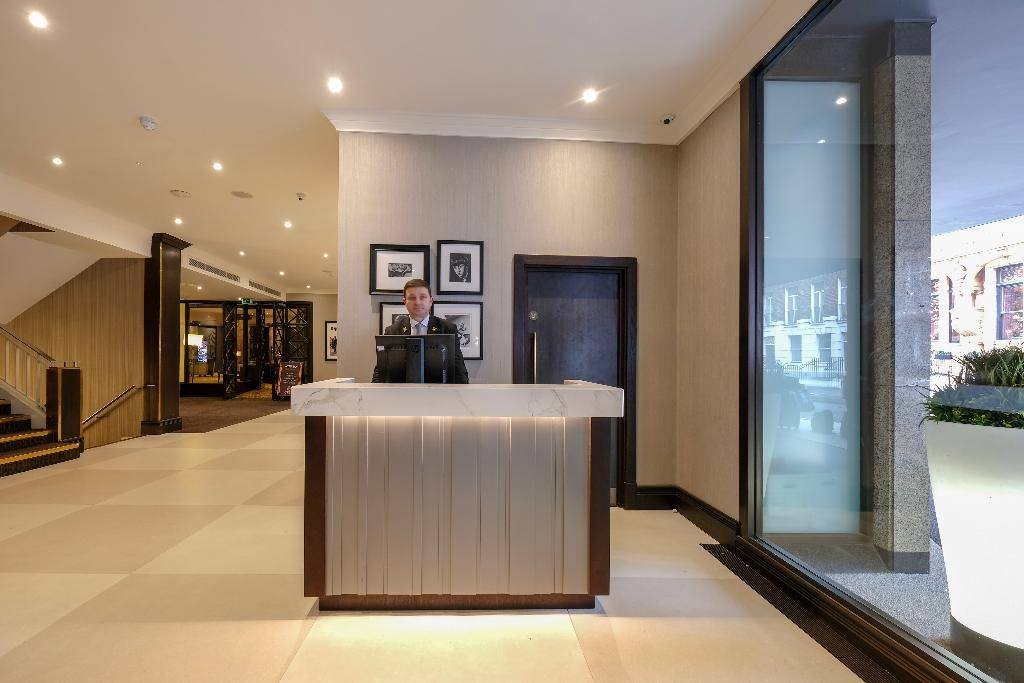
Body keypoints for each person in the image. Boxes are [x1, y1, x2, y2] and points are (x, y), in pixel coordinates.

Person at [371, 278, 469, 383]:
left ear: (431, 301)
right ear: (405, 301)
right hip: (401, 390)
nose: (417, 302)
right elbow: (381, 370)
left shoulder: (448, 329)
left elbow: (458, 369)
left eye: (423, 297)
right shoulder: (392, 331)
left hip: (438, 390)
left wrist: (461, 391)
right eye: (412, 298)